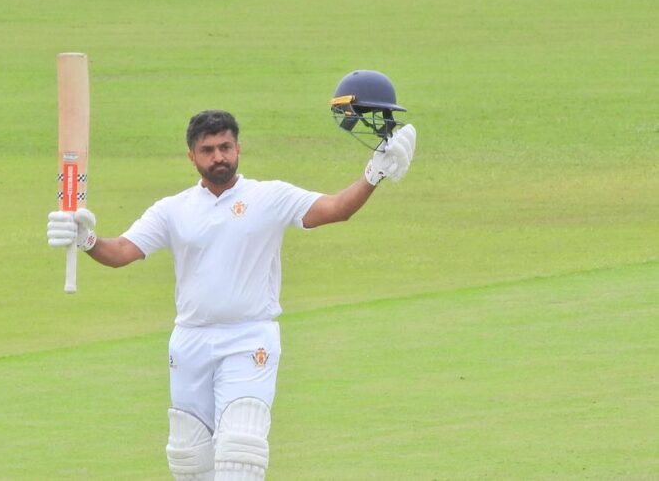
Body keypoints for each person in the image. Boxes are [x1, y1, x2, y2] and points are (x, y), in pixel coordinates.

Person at [47, 107, 415, 480]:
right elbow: (121, 252)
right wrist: (87, 240)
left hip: (249, 339)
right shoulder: (173, 210)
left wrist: (374, 173)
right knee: (190, 459)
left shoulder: (269, 197)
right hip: (190, 342)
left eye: (225, 147)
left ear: (238, 148)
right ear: (191, 156)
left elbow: (336, 209)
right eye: (208, 150)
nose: (218, 157)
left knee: (240, 451)